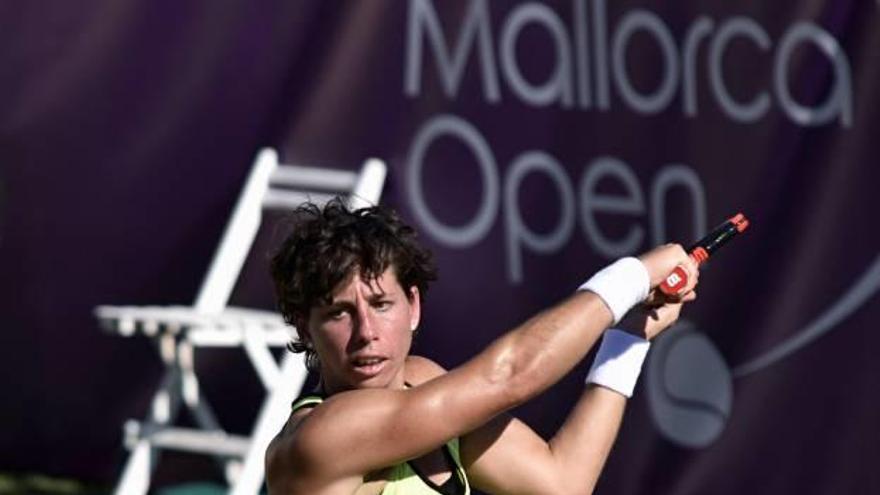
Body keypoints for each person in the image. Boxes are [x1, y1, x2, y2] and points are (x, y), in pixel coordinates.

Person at [265, 199, 699, 495]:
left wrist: (629, 337)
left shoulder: (424, 380)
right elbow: (508, 376)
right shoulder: (323, 437)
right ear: (304, 327)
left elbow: (561, 482)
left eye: (381, 305)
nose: (366, 332)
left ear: (413, 306)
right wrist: (633, 276)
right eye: (339, 313)